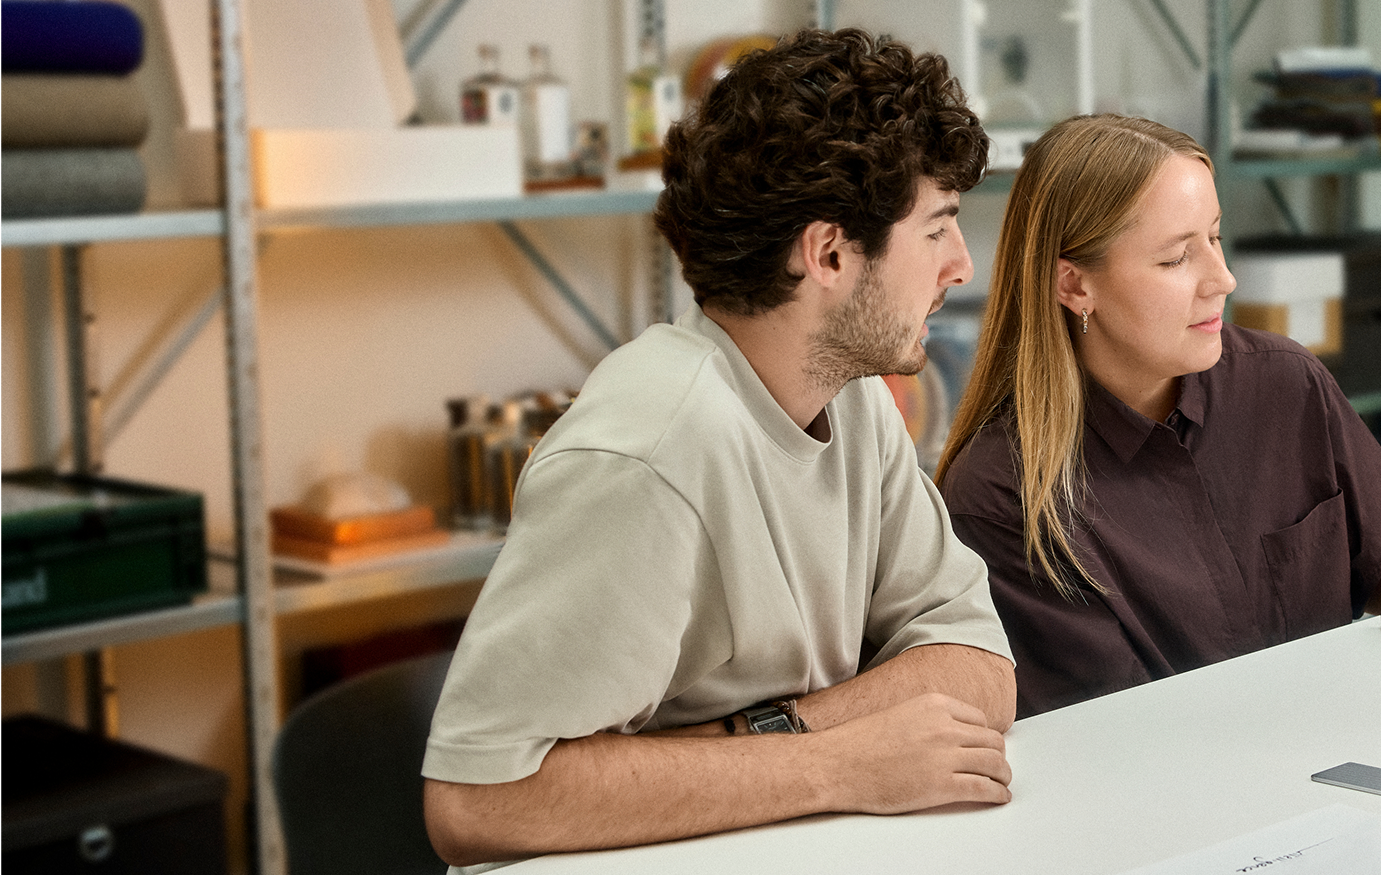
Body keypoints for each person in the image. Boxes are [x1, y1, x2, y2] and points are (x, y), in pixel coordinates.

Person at [422, 30, 1017, 870]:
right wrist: (838, 761)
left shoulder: (852, 399)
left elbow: (977, 667)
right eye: (937, 229)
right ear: (831, 253)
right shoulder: (646, 454)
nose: (960, 265)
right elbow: (479, 799)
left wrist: (769, 736)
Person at [935, 114, 1381, 718]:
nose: (1224, 278)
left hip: (1340, 747)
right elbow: (1114, 733)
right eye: (1177, 258)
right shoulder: (1002, 494)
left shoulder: (1283, 380)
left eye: (1216, 237)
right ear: (1073, 286)